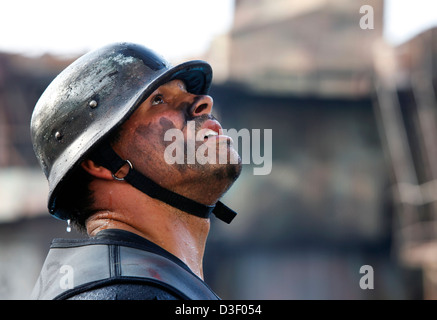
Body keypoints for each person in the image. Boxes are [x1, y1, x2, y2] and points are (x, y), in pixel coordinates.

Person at [30, 42, 242, 300]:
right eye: (158, 100)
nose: (203, 102)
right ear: (100, 162)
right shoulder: (123, 293)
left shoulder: (137, 284)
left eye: (187, 91)